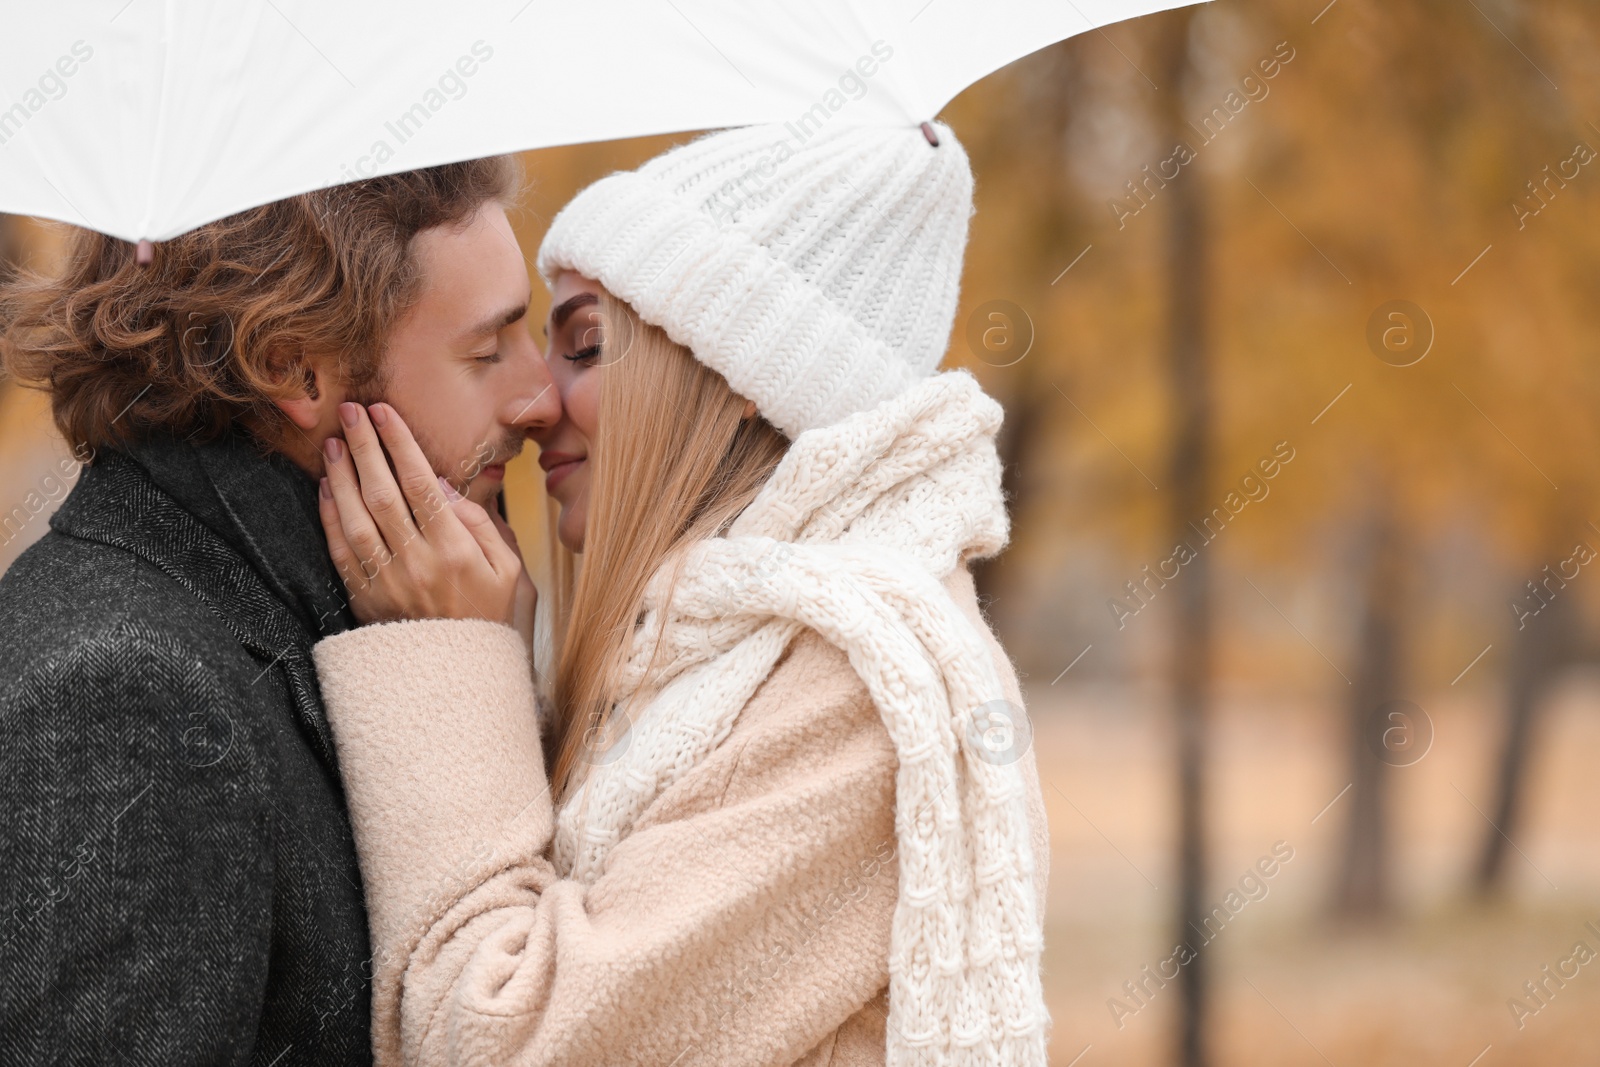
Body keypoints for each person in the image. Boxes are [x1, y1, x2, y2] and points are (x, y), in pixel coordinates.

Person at [313, 122, 1052, 1066]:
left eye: (583, 344)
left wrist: (453, 656)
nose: (537, 402)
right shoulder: (725, 652)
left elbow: (503, 1038)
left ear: (743, 369)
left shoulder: (866, 700)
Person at [0, 157, 558, 1065]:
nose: (537, 399)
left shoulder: (294, 619)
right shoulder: (127, 695)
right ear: (291, 367)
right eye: (487, 351)